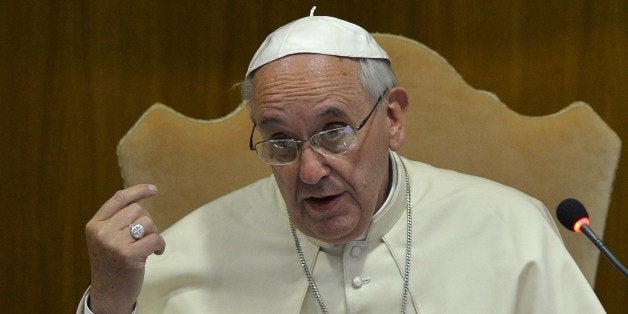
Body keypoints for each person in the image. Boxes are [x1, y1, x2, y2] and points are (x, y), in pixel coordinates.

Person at [78, 14, 605, 313]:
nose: (309, 172)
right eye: (280, 141)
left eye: (334, 132)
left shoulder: (510, 229)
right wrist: (107, 300)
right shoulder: (193, 249)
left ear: (394, 118)